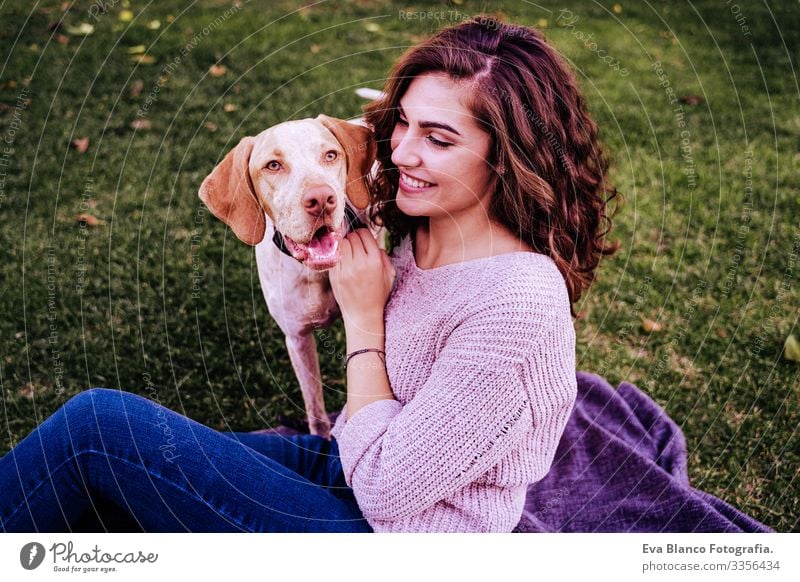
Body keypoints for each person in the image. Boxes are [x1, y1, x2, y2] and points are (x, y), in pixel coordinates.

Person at [0, 16, 617, 533]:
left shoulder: (517, 308)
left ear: (506, 154)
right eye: (402, 122)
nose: (399, 152)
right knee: (105, 487)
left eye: (438, 138)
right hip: (345, 460)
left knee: (95, 433)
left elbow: (384, 493)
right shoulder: (417, 225)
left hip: (396, 535)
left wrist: (362, 320)